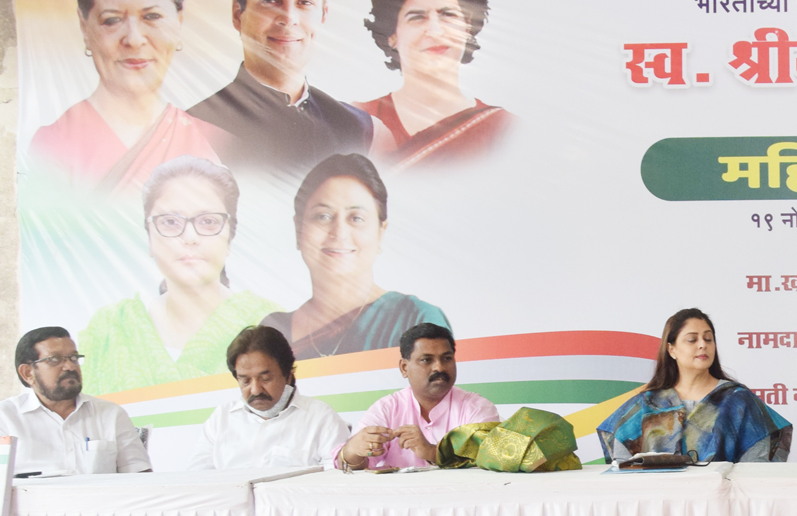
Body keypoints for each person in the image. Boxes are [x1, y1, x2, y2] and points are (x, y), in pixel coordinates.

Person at [30, 0, 225, 193]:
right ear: (85, 27)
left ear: (179, 21)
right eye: (112, 20)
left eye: (152, 16)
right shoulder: (55, 144)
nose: (134, 39)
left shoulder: (212, 142)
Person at [78, 157, 280, 395]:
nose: (190, 237)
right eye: (171, 222)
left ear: (230, 237)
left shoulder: (270, 323)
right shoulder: (109, 330)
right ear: (149, 237)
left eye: (207, 221)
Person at [187, 0, 372, 171]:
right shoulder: (193, 129)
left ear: (323, 16)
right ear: (237, 14)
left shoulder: (357, 128)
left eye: (304, 2)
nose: (289, 19)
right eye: (271, 1)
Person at [260, 154, 449, 359]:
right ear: (298, 229)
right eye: (322, 216)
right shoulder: (272, 332)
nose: (339, 232)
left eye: (356, 218)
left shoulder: (415, 319)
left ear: (380, 232)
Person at [356, 0, 512, 170]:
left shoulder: (503, 130)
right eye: (417, 17)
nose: (435, 30)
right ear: (391, 34)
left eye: (448, 14)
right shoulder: (356, 122)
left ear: (467, 26)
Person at [598, 308, 791, 462]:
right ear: (671, 349)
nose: (702, 345)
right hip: (659, 506)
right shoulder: (648, 403)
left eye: (708, 339)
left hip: (722, 504)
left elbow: (758, 463)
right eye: (692, 339)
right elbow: (621, 458)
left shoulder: (738, 400)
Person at [335, 323, 497, 469]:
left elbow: (493, 459)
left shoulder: (477, 408)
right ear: (404, 367)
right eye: (427, 360)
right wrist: (352, 450)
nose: (439, 367)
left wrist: (434, 453)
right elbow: (350, 465)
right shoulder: (387, 408)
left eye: (446, 358)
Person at [188, 326, 350, 469]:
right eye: (245, 380)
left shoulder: (321, 417)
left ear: (287, 374)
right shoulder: (221, 418)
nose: (256, 389)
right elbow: (199, 476)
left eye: (265, 379)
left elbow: (334, 478)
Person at [0, 327, 151, 475]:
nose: (70, 366)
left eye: (74, 358)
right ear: (28, 373)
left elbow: (140, 477)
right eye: (55, 359)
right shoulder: (6, 418)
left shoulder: (110, 414)